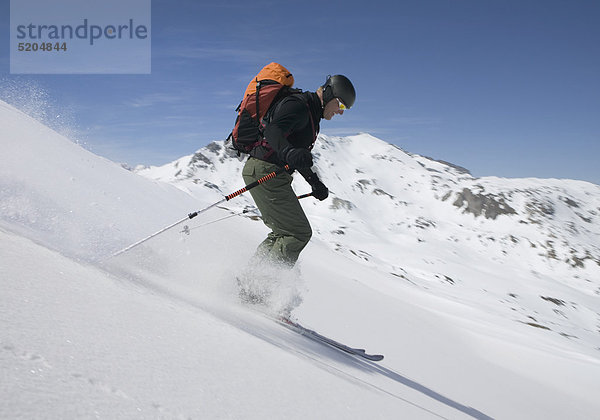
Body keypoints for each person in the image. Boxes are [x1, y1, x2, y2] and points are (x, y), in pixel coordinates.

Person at [241, 75, 356, 270]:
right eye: (341, 106)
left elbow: (296, 153)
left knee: (282, 232)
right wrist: (288, 152)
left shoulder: (310, 113)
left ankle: (251, 281)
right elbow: (273, 130)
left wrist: (314, 182)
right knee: (298, 233)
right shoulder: (299, 106)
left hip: (267, 172)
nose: (341, 113)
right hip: (265, 171)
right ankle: (263, 288)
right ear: (329, 95)